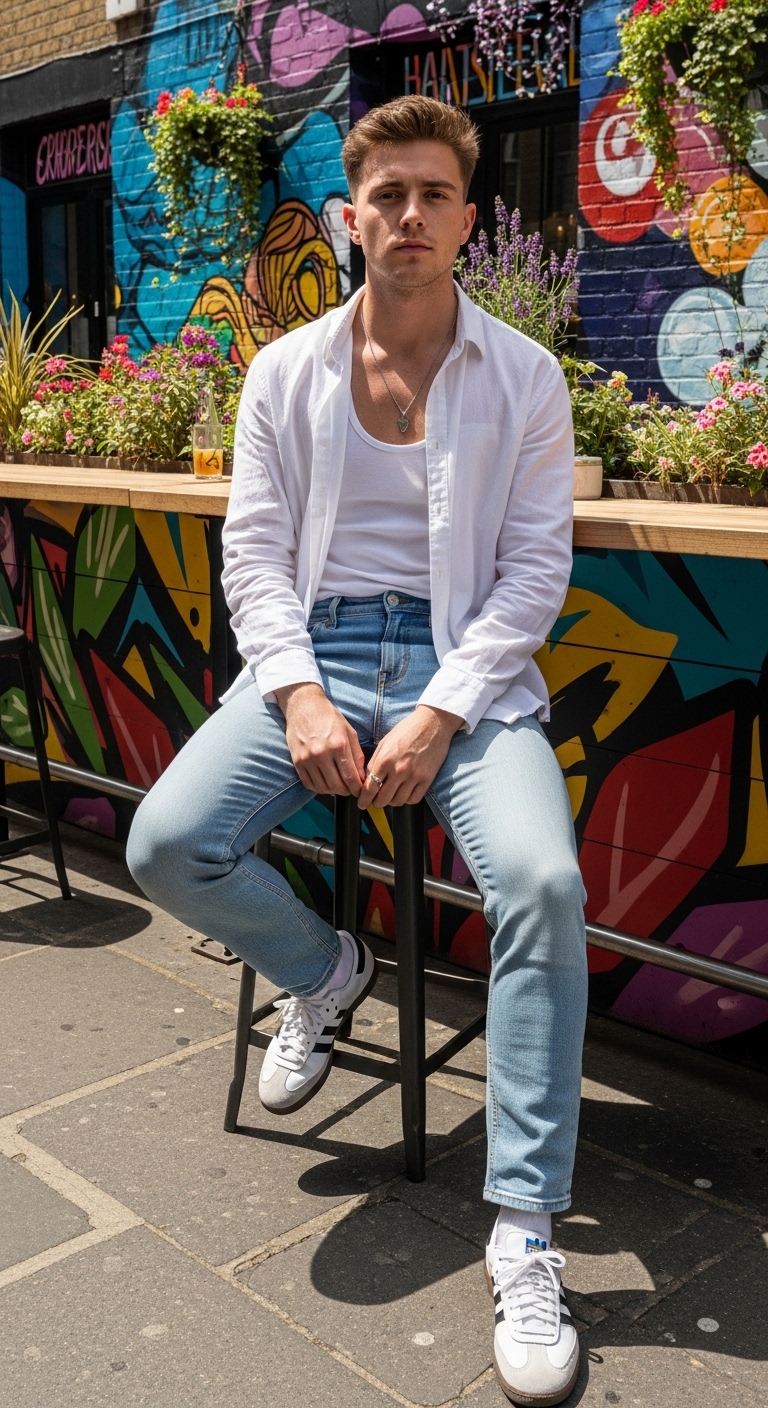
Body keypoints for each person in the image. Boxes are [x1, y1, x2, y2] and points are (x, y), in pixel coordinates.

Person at [127, 94, 587, 1407]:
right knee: (166, 842)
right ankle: (324, 968)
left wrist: (441, 708)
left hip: (469, 680)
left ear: (469, 215)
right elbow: (255, 559)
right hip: (317, 663)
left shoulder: (527, 378)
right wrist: (302, 695)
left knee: (546, 887)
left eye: (435, 195)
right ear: (351, 213)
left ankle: (525, 1231)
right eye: (387, 195)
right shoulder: (284, 375)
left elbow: (534, 574)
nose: (410, 218)